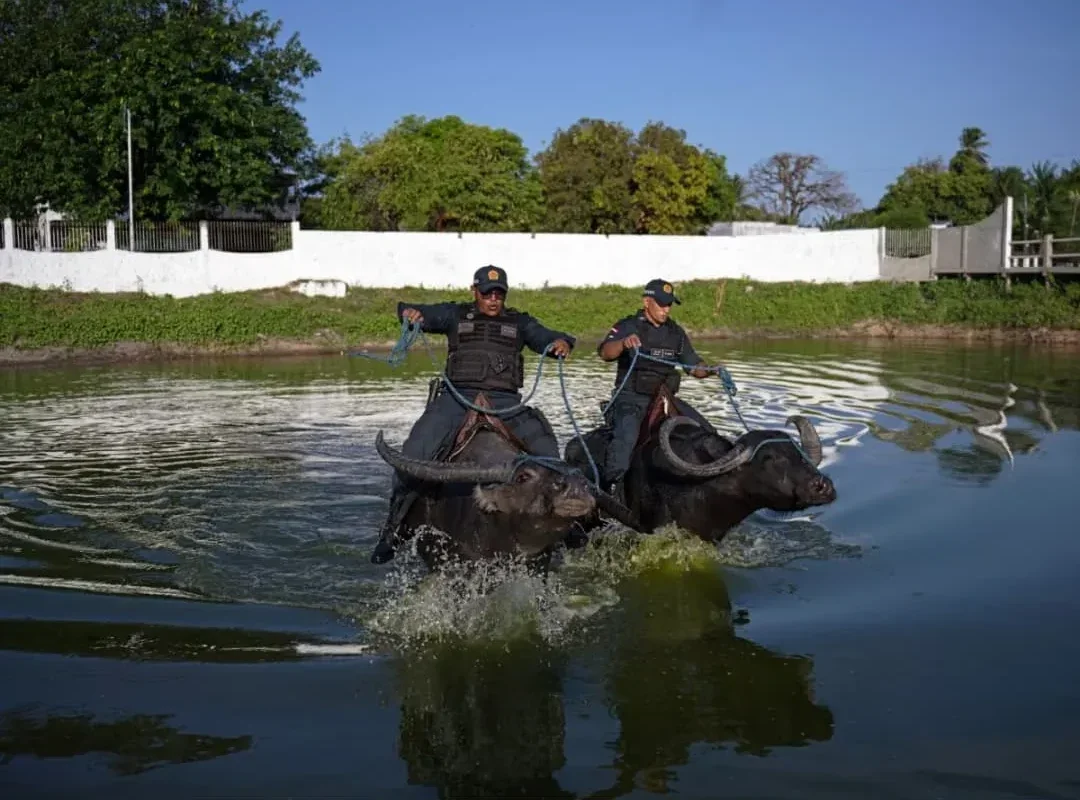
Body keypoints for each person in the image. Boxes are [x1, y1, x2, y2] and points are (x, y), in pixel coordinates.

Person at [371, 265, 576, 564]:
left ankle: (562, 530)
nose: (493, 299)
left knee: (550, 457)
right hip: (456, 400)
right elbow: (414, 310)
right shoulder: (455, 315)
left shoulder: (520, 322)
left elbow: (548, 336)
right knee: (413, 454)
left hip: (506, 403)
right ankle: (393, 528)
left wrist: (561, 343)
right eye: (487, 293)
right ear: (474, 291)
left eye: (499, 294)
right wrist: (411, 314)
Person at [597, 278, 724, 499]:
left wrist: (712, 369)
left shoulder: (676, 333)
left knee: (706, 433)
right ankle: (613, 490)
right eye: (662, 304)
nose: (666, 310)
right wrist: (623, 343)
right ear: (647, 301)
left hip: (665, 399)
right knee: (625, 438)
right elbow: (605, 353)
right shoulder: (628, 325)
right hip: (631, 397)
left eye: (669, 305)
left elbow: (694, 367)